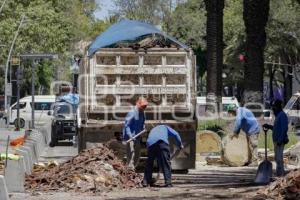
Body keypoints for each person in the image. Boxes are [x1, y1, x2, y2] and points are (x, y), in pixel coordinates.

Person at [263, 99, 289, 176]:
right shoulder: (278, 116)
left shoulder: (282, 115)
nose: (273, 109)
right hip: (276, 140)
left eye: (274, 107)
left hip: (280, 140)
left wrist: (280, 140)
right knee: (277, 158)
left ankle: (281, 175)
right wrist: (269, 126)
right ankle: (279, 174)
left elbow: (284, 128)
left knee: (279, 158)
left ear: (278, 107)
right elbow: (276, 128)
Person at [231, 102, 260, 166]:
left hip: (253, 130)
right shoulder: (241, 110)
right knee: (248, 146)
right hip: (249, 130)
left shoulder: (240, 112)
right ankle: (249, 161)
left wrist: (235, 132)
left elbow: (238, 122)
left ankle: (255, 162)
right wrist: (237, 133)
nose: (232, 115)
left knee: (253, 145)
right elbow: (240, 123)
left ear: (233, 110)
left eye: (232, 113)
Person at [123, 97, 148, 169]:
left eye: (145, 106)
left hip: (137, 136)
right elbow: (127, 126)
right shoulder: (132, 112)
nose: (144, 107)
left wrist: (143, 127)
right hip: (130, 137)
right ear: (138, 104)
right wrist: (130, 136)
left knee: (137, 154)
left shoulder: (142, 113)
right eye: (143, 106)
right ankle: (129, 170)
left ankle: (133, 168)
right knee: (131, 153)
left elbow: (143, 122)